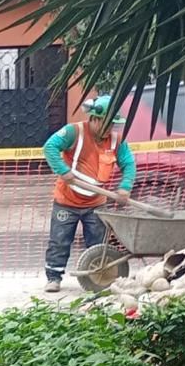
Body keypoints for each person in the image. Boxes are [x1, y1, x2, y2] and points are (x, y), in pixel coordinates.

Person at [41, 95, 137, 291]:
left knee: (97, 244)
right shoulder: (73, 132)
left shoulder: (117, 141)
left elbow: (128, 163)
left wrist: (125, 187)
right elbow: (49, 147)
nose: (110, 128)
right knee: (59, 241)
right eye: (106, 123)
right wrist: (63, 171)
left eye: (113, 124)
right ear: (94, 118)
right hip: (66, 200)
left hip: (96, 203)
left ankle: (98, 277)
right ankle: (54, 278)